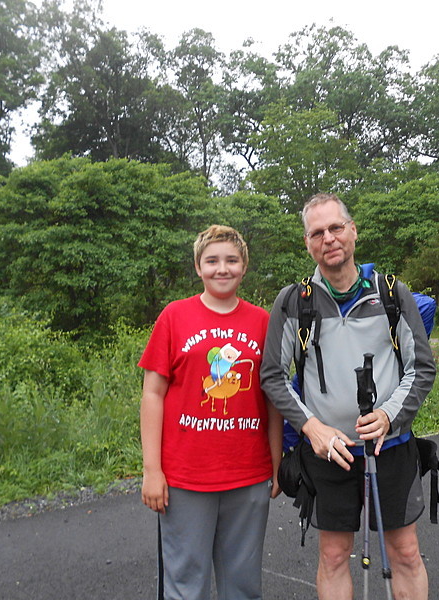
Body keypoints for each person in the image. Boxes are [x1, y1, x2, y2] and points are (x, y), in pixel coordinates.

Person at [261, 193, 436, 600]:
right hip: (327, 452)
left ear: (353, 231)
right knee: (335, 555)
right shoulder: (293, 302)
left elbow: (421, 368)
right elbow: (272, 375)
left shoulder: (392, 293)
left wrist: (391, 415)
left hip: (389, 446)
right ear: (307, 243)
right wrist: (312, 427)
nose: (329, 239)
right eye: (317, 232)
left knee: (406, 553)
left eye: (336, 227)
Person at [138, 225, 283, 600]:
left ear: (244, 267)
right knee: (187, 582)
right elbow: (152, 394)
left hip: (248, 474)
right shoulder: (174, 316)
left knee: (243, 583)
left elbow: (272, 398)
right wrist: (152, 470)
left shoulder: (262, 322)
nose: (223, 269)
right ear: (198, 267)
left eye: (231, 260)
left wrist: (277, 461)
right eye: (212, 261)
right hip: (185, 477)